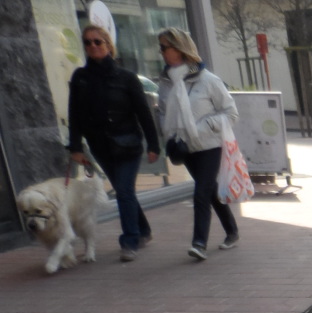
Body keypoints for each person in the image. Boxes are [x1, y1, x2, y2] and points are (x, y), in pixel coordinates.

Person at [67, 24, 160, 262]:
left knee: (125, 191)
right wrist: (76, 147)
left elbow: (143, 113)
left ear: (108, 45)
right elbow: (75, 113)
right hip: (100, 145)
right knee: (123, 190)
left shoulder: (126, 77)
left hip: (127, 143)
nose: (93, 46)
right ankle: (144, 231)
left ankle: (130, 241)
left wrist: (153, 144)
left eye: (98, 41)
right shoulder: (80, 78)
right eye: (88, 42)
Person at [156, 27, 239, 261]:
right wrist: (170, 133)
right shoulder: (165, 82)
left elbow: (231, 114)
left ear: (179, 48)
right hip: (184, 146)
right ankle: (232, 231)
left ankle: (199, 243)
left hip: (210, 145)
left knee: (200, 193)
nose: (161, 52)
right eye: (160, 48)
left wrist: (202, 127)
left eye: (164, 47)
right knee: (210, 191)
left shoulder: (208, 80)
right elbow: (163, 112)